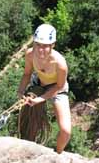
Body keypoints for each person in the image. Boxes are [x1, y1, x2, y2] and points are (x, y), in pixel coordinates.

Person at [17, 23, 71, 154]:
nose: (41, 50)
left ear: (53, 45)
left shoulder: (60, 64)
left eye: (46, 46)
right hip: (39, 84)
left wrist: (41, 99)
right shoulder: (30, 54)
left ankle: (57, 154)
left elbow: (59, 86)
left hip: (58, 89)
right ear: (34, 44)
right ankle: (28, 148)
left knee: (65, 131)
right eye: (38, 45)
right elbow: (27, 74)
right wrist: (20, 91)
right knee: (30, 124)